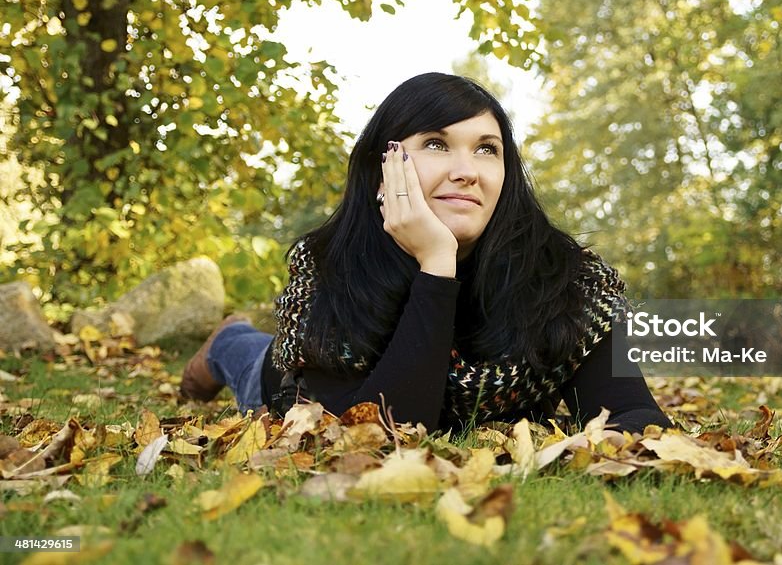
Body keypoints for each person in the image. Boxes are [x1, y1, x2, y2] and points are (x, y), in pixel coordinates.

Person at [180, 72, 672, 434]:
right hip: (284, 384)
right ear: (384, 167)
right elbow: (372, 434)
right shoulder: (330, 264)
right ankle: (226, 340)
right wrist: (438, 263)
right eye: (437, 144)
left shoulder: (563, 279)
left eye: (486, 149)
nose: (467, 170)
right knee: (246, 358)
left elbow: (637, 417)